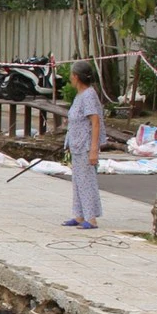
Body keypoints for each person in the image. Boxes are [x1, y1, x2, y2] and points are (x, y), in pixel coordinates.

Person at [63, 60, 104, 228]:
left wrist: (94, 149)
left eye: (72, 75)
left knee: (86, 181)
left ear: (76, 77)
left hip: (86, 145)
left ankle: (91, 217)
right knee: (78, 180)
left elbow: (95, 122)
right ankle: (79, 214)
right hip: (76, 144)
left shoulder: (88, 95)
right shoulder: (79, 95)